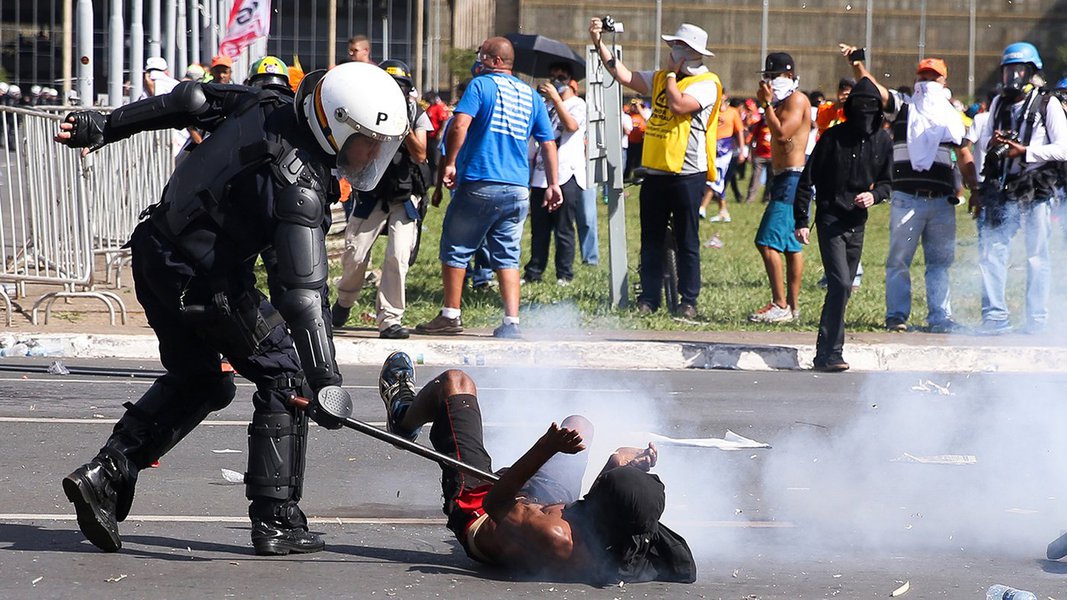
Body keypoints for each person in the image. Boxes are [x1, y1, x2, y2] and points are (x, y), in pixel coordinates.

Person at [54, 62, 410, 555]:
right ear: (337, 122)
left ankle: (106, 473)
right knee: (287, 376)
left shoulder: (267, 105)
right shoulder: (301, 183)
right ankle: (276, 521)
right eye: (367, 141)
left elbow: (189, 101)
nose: (373, 154)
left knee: (202, 380)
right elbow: (303, 294)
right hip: (204, 279)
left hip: (156, 251)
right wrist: (326, 381)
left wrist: (105, 125)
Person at [376, 351, 697, 584]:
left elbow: (497, 503)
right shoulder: (625, 534)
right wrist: (618, 462)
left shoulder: (556, 536)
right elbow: (595, 511)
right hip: (540, 502)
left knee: (456, 382)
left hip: (483, 511)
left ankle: (402, 418)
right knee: (580, 426)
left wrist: (547, 447)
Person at [415, 37, 559, 339]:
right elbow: (547, 142)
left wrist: (450, 162)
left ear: (495, 60)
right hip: (518, 188)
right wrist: (553, 183)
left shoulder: (481, 86)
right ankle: (511, 322)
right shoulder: (531, 95)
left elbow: (459, 125)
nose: (478, 61)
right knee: (507, 255)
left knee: (456, 247)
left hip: (481, 181)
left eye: (482, 56)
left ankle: (450, 315)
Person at [589, 19, 722, 319]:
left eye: (676, 47)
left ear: (689, 52)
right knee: (650, 239)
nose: (670, 51)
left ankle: (689, 300)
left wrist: (673, 76)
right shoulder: (663, 77)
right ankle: (649, 297)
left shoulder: (707, 83)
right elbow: (624, 76)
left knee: (687, 239)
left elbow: (678, 106)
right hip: (655, 171)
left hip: (687, 173)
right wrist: (599, 43)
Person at [840, 45, 977, 334]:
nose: (927, 81)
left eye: (933, 76)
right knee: (899, 261)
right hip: (906, 200)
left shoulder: (952, 118)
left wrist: (974, 188)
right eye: (923, 76)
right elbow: (875, 89)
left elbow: (964, 154)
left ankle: (940, 317)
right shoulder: (904, 107)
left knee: (939, 263)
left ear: (944, 82)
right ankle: (897, 316)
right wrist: (858, 64)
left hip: (941, 201)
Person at [793, 77, 892, 372]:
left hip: (857, 221)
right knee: (840, 282)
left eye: (871, 107)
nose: (865, 113)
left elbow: (887, 183)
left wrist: (873, 196)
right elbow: (806, 180)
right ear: (849, 108)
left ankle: (824, 353)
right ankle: (833, 352)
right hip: (830, 218)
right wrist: (801, 221)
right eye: (859, 106)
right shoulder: (831, 138)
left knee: (842, 289)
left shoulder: (882, 140)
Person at [970, 42, 1067, 335]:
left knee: (1036, 255)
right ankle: (995, 317)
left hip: (1035, 187)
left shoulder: (1047, 103)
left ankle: (1036, 320)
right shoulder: (998, 103)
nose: (1012, 76)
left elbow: (1063, 148)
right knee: (992, 251)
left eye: (1019, 70)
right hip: (1001, 186)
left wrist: (1023, 152)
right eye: (1008, 70)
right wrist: (995, 145)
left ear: (1031, 72)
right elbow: (984, 141)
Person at [332, 60, 431, 339]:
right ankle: (344, 301)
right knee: (355, 252)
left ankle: (390, 319)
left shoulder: (416, 113)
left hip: (403, 193)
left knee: (398, 256)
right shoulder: (366, 108)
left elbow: (421, 153)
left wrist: (404, 123)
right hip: (371, 191)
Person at [748, 53, 811, 324]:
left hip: (793, 179)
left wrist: (765, 105)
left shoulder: (796, 100)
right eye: (769, 77)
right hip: (784, 177)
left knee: (766, 242)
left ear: (790, 76)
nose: (772, 82)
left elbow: (783, 133)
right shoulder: (782, 102)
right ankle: (793, 307)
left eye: (776, 77)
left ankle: (780, 304)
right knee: (790, 245)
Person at [524, 62, 587, 286]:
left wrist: (558, 100)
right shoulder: (546, 106)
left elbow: (570, 126)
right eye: (552, 76)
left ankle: (564, 274)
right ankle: (534, 271)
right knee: (539, 229)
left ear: (572, 81)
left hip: (566, 174)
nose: (555, 80)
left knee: (563, 228)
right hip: (542, 175)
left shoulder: (577, 104)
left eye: (561, 76)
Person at [701, 92, 746, 221]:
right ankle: (723, 211)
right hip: (710, 148)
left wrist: (742, 150)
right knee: (714, 179)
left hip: (725, 150)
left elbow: (740, 131)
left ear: (725, 96)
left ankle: (702, 208)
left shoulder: (732, 112)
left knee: (716, 179)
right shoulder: (710, 111)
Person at [625, 98, 647, 181]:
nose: (635, 107)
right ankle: (626, 176)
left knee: (638, 160)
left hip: (640, 140)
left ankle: (637, 176)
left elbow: (645, 117)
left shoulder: (643, 113)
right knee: (629, 160)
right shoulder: (629, 114)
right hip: (630, 141)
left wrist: (639, 106)